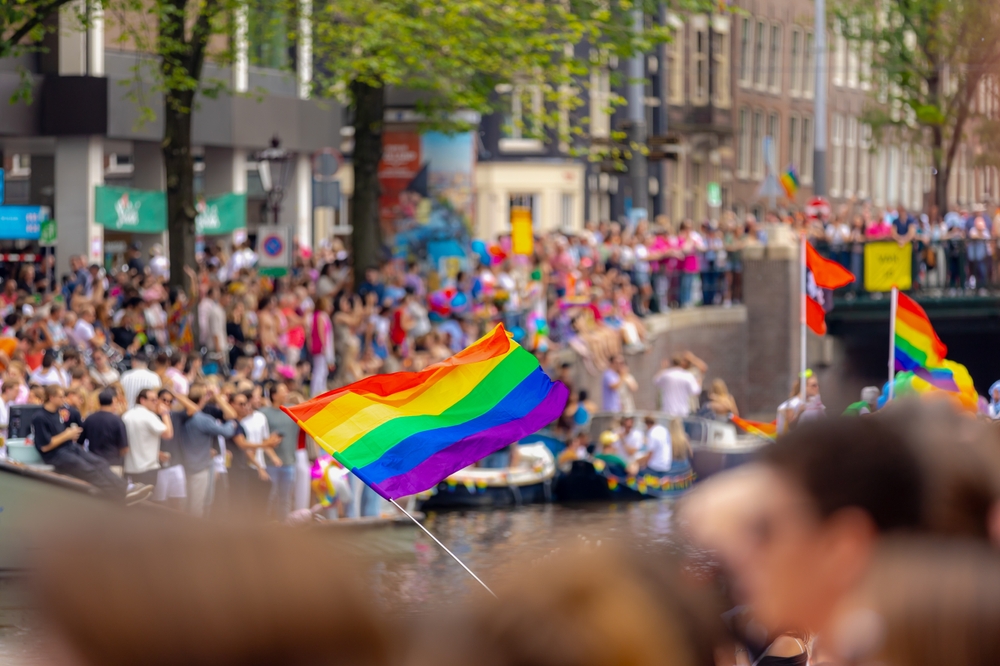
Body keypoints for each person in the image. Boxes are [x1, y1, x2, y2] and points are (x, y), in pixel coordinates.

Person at [31, 385, 151, 504]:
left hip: (69, 448)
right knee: (89, 470)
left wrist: (69, 435)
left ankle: (126, 488)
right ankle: (119, 496)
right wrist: (66, 435)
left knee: (100, 463)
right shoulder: (40, 418)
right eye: (61, 397)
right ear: (52, 398)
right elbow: (45, 446)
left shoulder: (58, 413)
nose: (64, 399)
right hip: (56, 455)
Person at [182, 384, 238, 517]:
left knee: (186, 505)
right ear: (201, 399)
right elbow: (227, 429)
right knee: (198, 506)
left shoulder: (180, 415)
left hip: (183, 465)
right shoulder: (202, 418)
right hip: (200, 466)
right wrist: (232, 424)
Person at [260, 382, 300, 520]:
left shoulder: (292, 410)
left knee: (286, 499)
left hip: (289, 462)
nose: (286, 393)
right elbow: (261, 438)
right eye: (283, 390)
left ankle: (283, 528)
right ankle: (266, 527)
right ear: (274, 395)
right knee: (269, 498)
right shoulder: (263, 413)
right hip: (270, 463)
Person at [122, 388, 174, 488]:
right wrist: (165, 413)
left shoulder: (126, 416)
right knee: (145, 501)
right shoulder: (149, 416)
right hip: (147, 468)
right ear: (142, 400)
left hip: (129, 468)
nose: (156, 403)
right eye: (153, 400)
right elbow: (168, 434)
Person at [80, 387, 129, 474]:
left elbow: (80, 442)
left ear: (99, 402)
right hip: (113, 463)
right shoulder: (117, 420)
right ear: (113, 402)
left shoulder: (89, 419)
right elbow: (124, 448)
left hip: (94, 462)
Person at [154, 389, 187, 510]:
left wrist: (177, 395)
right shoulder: (151, 417)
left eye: (170, 401)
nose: (167, 403)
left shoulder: (175, 415)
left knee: (177, 501)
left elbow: (194, 409)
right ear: (157, 400)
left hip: (176, 462)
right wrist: (156, 453)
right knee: (159, 502)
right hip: (158, 465)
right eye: (164, 400)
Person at [654, 352, 705, 417]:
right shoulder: (688, 376)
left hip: (668, 410)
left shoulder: (666, 374)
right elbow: (696, 391)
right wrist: (700, 379)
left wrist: (663, 368)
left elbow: (656, 381)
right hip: (682, 411)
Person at [306, 296, 335, 398]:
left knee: (321, 370)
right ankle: (316, 392)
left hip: (318, 347)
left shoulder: (315, 316)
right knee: (320, 370)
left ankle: (320, 390)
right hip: (321, 348)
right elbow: (321, 332)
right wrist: (324, 347)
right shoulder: (321, 316)